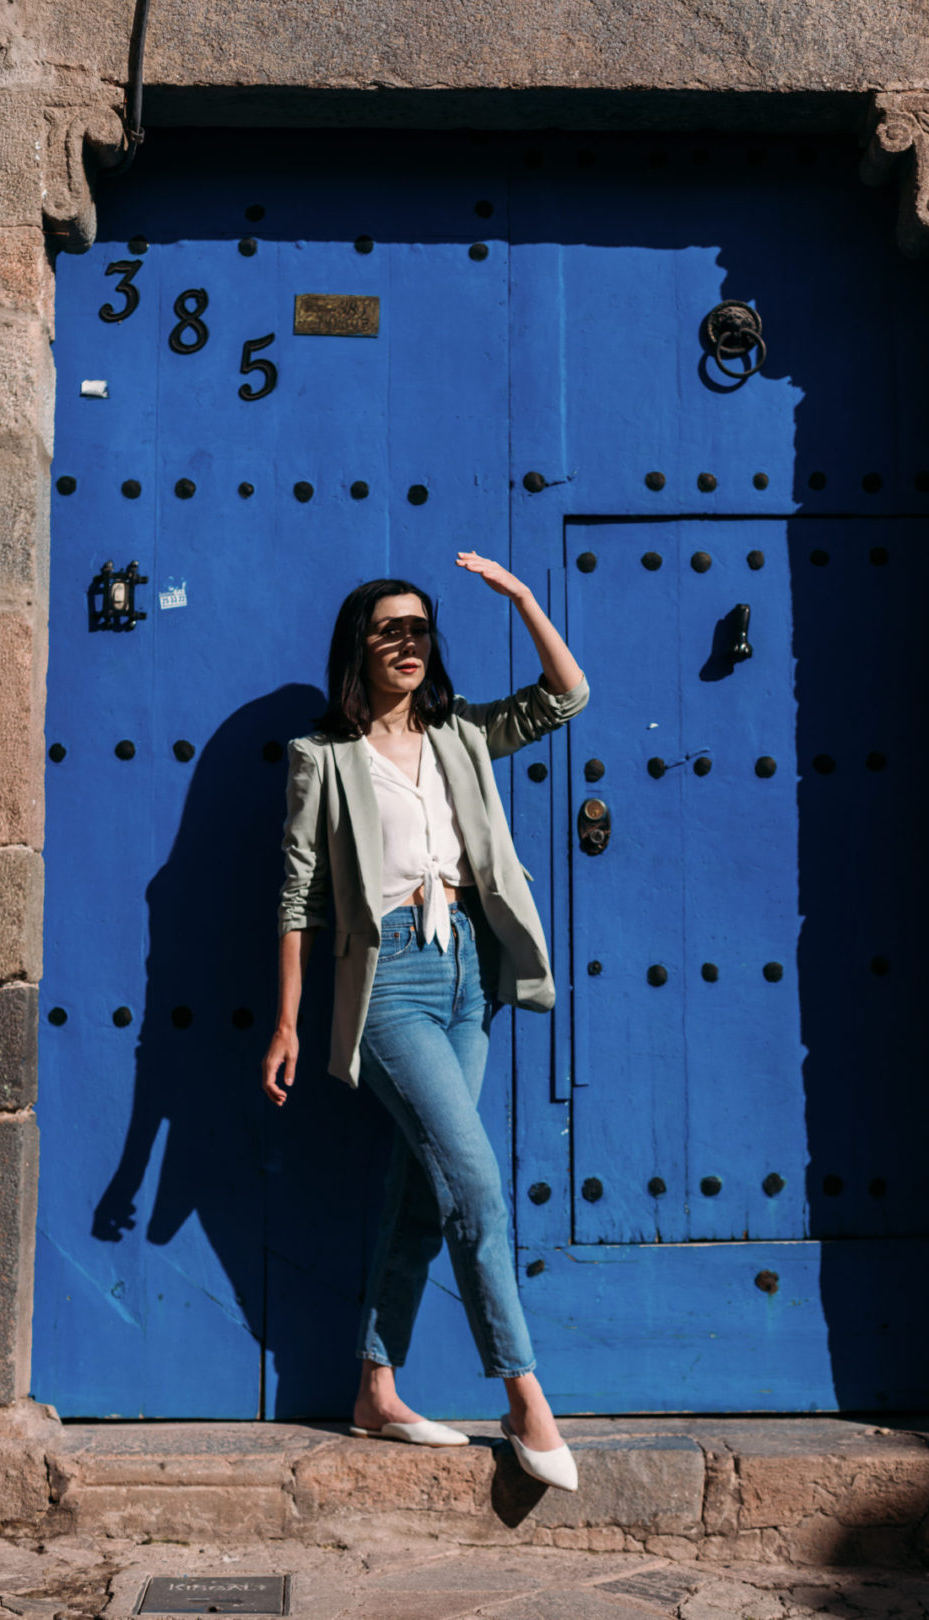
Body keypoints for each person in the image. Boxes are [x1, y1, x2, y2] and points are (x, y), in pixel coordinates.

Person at [261, 550, 589, 1492]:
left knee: (420, 1193)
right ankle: (526, 1394)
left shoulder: (461, 734)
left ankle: (375, 1387)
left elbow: (566, 698)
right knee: (474, 1187)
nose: (408, 642)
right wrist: (288, 1023)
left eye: (420, 628)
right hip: (392, 984)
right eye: (388, 629)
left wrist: (524, 599)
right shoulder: (322, 759)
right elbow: (298, 901)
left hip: (468, 977)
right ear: (358, 648)